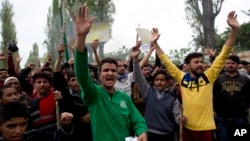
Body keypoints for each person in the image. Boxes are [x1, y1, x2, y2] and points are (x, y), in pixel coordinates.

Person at [151, 11, 239, 141]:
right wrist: (155, 44)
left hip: (206, 129)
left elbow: (224, 53)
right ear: (187, 65)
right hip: (187, 127)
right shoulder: (181, 77)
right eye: (196, 62)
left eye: (201, 62)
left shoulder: (209, 76)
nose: (200, 65)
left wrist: (234, 30)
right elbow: (166, 61)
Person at [73, 5, 147, 141]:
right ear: (99, 75)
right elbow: (82, 74)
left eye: (113, 70)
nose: (110, 73)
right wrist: (81, 37)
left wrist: (141, 132)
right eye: (106, 70)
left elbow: (138, 120)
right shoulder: (93, 94)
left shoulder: (124, 98)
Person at [132, 46, 186, 141]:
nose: (159, 82)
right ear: (153, 82)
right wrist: (135, 59)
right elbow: (137, 76)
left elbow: (177, 116)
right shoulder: (148, 91)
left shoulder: (172, 97)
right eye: (157, 80)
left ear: (166, 82)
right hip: (149, 133)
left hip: (167, 135)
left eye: (162, 80)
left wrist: (181, 118)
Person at [213, 55, 250, 141]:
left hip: (240, 117)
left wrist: (246, 107)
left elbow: (248, 95)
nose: (230, 65)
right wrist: (214, 110)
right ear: (224, 65)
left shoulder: (245, 79)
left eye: (233, 63)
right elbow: (214, 95)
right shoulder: (218, 78)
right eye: (228, 63)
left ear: (237, 65)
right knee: (224, 139)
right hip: (222, 118)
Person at [0, 101, 74, 141]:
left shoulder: (34, 136)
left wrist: (66, 125)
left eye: (23, 124)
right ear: (1, 126)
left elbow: (59, 137)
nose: (18, 131)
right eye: (11, 126)